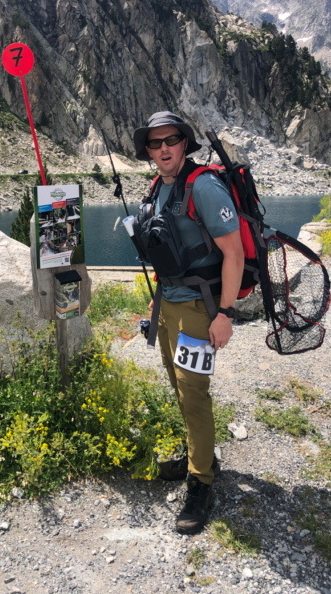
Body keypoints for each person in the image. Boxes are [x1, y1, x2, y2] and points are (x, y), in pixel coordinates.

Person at [133, 111, 245, 535]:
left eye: (171, 140)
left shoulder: (204, 187)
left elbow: (233, 254)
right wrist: (157, 298)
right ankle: (202, 456)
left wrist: (225, 314)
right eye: (155, 142)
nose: (163, 148)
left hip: (200, 308)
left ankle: (201, 483)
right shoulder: (158, 187)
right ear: (148, 150)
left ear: (184, 143)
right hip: (168, 304)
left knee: (193, 394)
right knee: (177, 385)